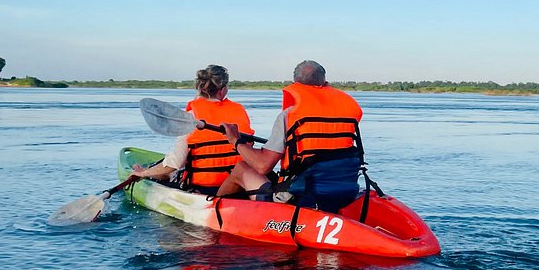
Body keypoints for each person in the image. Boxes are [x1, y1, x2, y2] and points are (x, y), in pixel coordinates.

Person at [220, 60, 365, 213]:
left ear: (295, 84)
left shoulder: (289, 116)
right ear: (325, 83)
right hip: (342, 192)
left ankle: (211, 209)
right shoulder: (346, 115)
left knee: (242, 168)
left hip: (301, 197)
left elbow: (263, 165)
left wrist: (235, 140)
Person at [129, 64, 256, 196]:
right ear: (223, 90)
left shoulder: (191, 117)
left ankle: (143, 171)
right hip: (240, 185)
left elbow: (175, 162)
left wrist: (143, 173)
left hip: (204, 189)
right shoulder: (239, 111)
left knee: (170, 172)